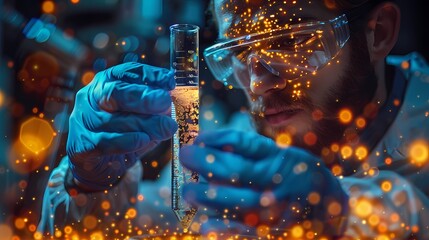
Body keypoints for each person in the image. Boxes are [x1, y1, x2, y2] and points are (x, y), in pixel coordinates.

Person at [37, 0, 429, 238]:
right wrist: (86, 185)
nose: (257, 83)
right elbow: (151, 224)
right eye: (238, 50)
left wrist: (344, 219)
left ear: (378, 34)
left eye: (289, 40)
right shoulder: (243, 149)